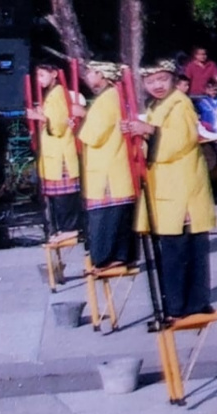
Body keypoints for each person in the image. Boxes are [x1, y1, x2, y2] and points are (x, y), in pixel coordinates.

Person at [122, 59, 216, 321]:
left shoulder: (180, 103)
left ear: (173, 78)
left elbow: (180, 141)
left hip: (183, 186)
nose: (157, 85)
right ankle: (176, 303)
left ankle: (187, 305)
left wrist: (150, 130)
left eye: (162, 79)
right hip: (167, 186)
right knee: (173, 251)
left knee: (184, 250)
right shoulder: (158, 106)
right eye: (151, 81)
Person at [73, 61, 137, 272]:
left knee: (107, 216)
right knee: (113, 214)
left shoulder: (108, 99)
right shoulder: (113, 96)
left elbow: (93, 135)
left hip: (108, 166)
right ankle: (114, 256)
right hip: (110, 163)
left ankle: (108, 258)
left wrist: (82, 116)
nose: (88, 77)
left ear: (101, 74)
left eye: (91, 72)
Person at [26, 61, 82, 243]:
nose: (39, 80)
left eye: (42, 75)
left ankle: (69, 228)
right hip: (54, 152)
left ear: (54, 74)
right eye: (38, 76)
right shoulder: (52, 94)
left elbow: (58, 125)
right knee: (58, 196)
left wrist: (38, 116)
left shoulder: (57, 94)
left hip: (60, 153)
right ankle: (64, 228)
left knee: (63, 195)